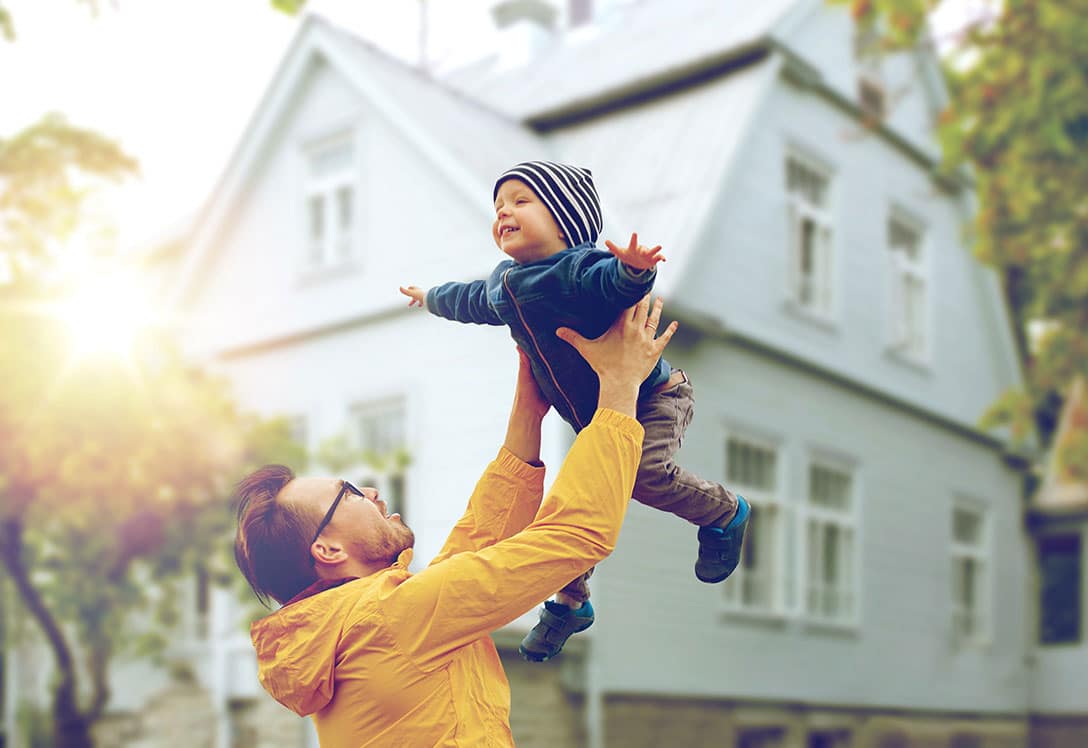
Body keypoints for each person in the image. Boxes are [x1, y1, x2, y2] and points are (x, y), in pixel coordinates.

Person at [234, 296, 676, 748]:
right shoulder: (390, 619)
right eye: (347, 492)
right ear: (328, 551)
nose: (369, 491)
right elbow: (576, 534)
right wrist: (621, 385)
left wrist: (528, 405)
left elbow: (475, 547)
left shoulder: (349, 630)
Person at [399, 160, 750, 662]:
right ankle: (570, 604)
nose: (504, 213)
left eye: (521, 201)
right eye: (498, 207)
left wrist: (634, 269)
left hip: (654, 396)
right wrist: (431, 297)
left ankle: (723, 512)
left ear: (565, 219)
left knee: (643, 477)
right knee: (573, 505)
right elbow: (469, 298)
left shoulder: (578, 267)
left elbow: (613, 283)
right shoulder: (503, 284)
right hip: (597, 419)